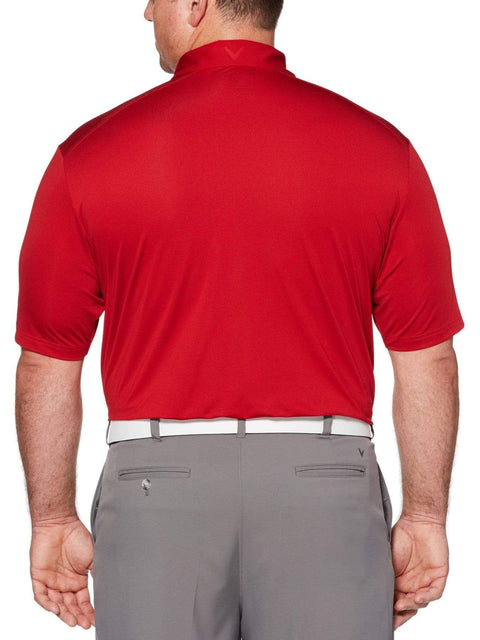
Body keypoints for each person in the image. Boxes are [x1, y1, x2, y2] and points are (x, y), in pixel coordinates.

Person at [14, 1, 464, 638]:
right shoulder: (382, 150)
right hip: (326, 487)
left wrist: (52, 519)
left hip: (156, 488)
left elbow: (47, 361)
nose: (146, 11)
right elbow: (427, 355)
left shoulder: (88, 156)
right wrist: (425, 516)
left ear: (196, 4)